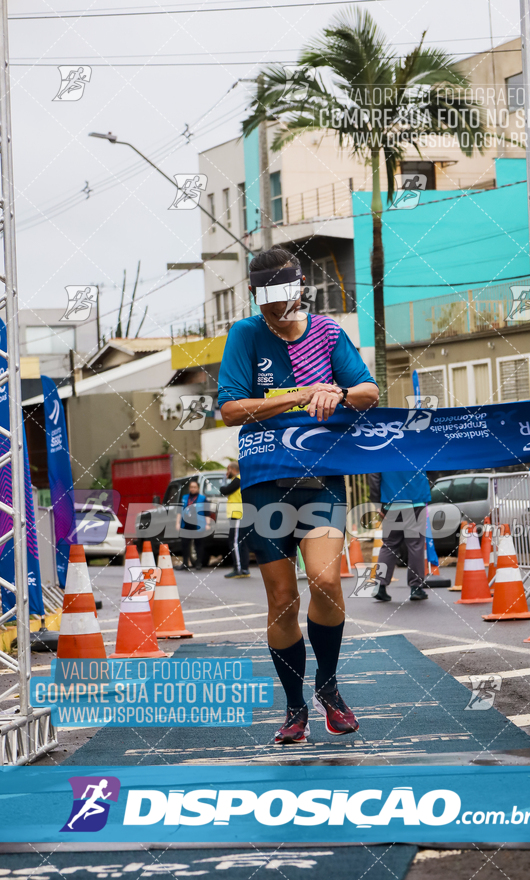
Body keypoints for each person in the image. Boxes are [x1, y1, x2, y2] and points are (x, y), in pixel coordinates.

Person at [218, 245, 379, 744]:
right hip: (266, 482)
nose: (274, 309)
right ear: (253, 294)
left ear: (299, 289)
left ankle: (329, 689)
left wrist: (339, 393)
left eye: (282, 298)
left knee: (327, 581)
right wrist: (302, 394)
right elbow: (229, 408)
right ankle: (295, 708)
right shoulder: (244, 335)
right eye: (264, 299)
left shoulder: (328, 332)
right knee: (282, 600)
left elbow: (370, 392)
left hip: (321, 476)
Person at [367, 470, 431, 602]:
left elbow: (374, 476)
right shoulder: (419, 449)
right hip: (416, 500)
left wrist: (376, 501)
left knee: (389, 544)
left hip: (392, 502)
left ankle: (380, 586)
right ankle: (416, 587)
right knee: (415, 545)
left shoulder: (384, 451)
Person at [219, 461, 250, 578]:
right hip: (240, 513)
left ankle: (238, 568)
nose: (227, 473)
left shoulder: (237, 479)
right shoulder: (240, 479)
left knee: (235, 542)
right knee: (241, 542)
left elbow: (224, 490)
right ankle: (244, 569)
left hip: (237, 514)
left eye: (228, 470)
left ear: (232, 469)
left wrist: (223, 479)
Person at [176, 478, 208, 571]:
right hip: (186, 525)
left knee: (199, 544)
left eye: (194, 487)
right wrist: (178, 523)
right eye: (191, 487)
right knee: (185, 544)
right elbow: (179, 511)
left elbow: (207, 512)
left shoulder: (202, 498)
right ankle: (185, 563)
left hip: (198, 524)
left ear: (198, 488)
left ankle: (198, 563)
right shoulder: (184, 498)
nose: (193, 489)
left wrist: (207, 524)